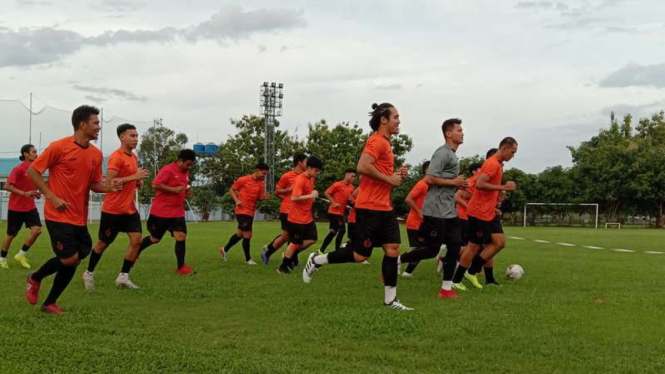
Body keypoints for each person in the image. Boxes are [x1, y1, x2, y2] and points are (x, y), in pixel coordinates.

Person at [302, 103, 412, 311]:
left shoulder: (386, 144)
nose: (399, 121)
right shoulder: (376, 141)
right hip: (369, 208)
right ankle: (317, 260)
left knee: (393, 249)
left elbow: (377, 173)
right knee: (361, 255)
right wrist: (389, 179)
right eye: (396, 117)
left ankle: (390, 300)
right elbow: (362, 167)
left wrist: (395, 174)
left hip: (385, 208)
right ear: (384, 119)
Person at [25, 105, 120, 315]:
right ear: (82, 124)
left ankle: (49, 303)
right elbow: (33, 171)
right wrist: (51, 196)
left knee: (77, 258)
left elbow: (95, 184)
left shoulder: (96, 154)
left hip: (79, 217)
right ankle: (36, 277)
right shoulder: (59, 147)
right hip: (57, 214)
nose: (99, 127)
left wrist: (109, 188)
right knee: (69, 259)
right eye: (95, 123)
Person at [398, 118, 467, 299]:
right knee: (431, 250)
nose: (462, 133)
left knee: (455, 246)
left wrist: (459, 185)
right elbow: (429, 179)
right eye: (459, 130)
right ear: (448, 133)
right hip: (435, 211)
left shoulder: (452, 154)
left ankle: (446, 289)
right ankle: (397, 260)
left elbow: (445, 182)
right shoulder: (442, 153)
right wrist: (454, 181)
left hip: (449, 210)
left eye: (462, 130)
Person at [82, 124, 149, 290]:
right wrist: (134, 176)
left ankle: (123, 277)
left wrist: (137, 182)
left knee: (137, 240)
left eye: (137, 136)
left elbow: (128, 181)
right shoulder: (116, 157)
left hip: (129, 209)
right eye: (132, 136)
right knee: (103, 244)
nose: (136, 139)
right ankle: (88, 273)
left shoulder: (133, 157)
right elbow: (109, 182)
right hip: (113, 210)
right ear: (122, 137)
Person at [452, 138, 518, 290]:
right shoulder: (492, 163)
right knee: (473, 247)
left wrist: (497, 195)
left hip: (488, 212)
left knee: (499, 242)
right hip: (479, 212)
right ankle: (458, 278)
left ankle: (473, 271)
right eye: (512, 152)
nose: (513, 156)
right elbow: (480, 184)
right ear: (504, 148)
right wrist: (503, 187)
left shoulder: (498, 165)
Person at [136, 149, 197, 275]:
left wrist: (186, 192)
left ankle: (181, 268)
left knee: (181, 237)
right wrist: (173, 190)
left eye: (191, 165)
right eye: (188, 164)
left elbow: (181, 190)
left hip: (177, 213)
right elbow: (155, 184)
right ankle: (135, 251)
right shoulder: (168, 170)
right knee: (155, 239)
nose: (189, 167)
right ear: (180, 161)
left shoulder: (186, 173)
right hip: (161, 212)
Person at [277, 156, 324, 273]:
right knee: (295, 243)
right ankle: (282, 268)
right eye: (316, 170)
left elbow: (307, 193)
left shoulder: (311, 178)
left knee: (312, 239)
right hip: (296, 218)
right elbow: (294, 197)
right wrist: (311, 196)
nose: (317, 173)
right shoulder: (300, 179)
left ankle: (288, 255)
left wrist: (311, 196)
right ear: (308, 168)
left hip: (307, 217)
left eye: (319, 171)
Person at [1, 144, 42, 270]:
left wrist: (36, 193)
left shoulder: (35, 170)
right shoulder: (18, 169)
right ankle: (2, 259)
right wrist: (24, 193)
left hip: (30, 207)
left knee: (37, 230)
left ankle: (21, 255)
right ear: (26, 154)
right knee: (11, 235)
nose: (36, 154)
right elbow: (6, 186)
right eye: (34, 152)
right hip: (16, 208)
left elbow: (32, 187)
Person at [219, 163, 270, 265]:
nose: (264, 176)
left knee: (240, 234)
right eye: (263, 173)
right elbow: (231, 189)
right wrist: (237, 200)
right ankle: (248, 259)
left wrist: (264, 197)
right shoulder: (243, 180)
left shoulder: (261, 183)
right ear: (257, 170)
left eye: (265, 174)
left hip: (251, 211)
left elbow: (259, 197)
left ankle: (224, 249)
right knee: (248, 234)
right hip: (242, 211)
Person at [262, 154, 307, 265]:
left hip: (299, 212)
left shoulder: (306, 177)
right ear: (300, 162)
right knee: (294, 237)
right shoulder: (287, 176)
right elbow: (277, 191)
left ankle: (267, 253)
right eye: (306, 161)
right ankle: (293, 261)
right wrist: (288, 194)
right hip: (287, 211)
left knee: (285, 237)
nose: (308, 164)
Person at [400, 161, 430, 278]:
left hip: (424, 223)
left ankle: (406, 271)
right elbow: (408, 199)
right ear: (427, 170)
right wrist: (419, 212)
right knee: (421, 249)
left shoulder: (431, 185)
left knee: (420, 249)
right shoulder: (422, 184)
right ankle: (400, 263)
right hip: (415, 223)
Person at [317, 169, 356, 254]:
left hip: (340, 213)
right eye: (352, 176)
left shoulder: (352, 188)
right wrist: (333, 203)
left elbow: (350, 200)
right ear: (346, 175)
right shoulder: (338, 184)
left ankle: (321, 250)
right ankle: (337, 251)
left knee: (333, 232)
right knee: (342, 230)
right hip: (334, 212)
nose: (353, 178)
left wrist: (352, 201)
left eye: (354, 177)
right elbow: (326, 193)